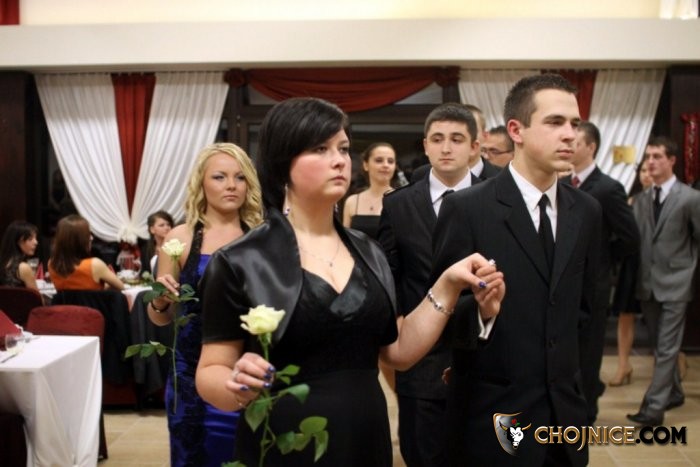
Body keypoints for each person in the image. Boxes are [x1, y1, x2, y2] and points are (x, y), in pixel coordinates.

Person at [195, 97, 504, 467]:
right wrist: (235, 385)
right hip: (285, 444)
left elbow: (398, 351)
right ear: (283, 162)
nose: (340, 160)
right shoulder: (242, 260)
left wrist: (448, 284)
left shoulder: (368, 252)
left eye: (342, 148)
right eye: (320, 149)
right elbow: (210, 371)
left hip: (365, 438)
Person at [431, 74, 602, 466]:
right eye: (555, 122)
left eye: (574, 124)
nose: (570, 135)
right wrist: (482, 314)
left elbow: (588, 314)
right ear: (516, 130)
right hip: (493, 419)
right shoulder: (467, 209)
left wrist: (584, 399)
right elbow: (440, 314)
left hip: (566, 420)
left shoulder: (586, 211)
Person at [147, 142, 264, 467]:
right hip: (190, 372)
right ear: (201, 183)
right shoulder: (180, 238)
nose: (231, 185)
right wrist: (160, 300)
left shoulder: (262, 235)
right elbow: (161, 318)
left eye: (240, 177)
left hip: (249, 368)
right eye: (220, 177)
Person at [377, 102, 481, 467]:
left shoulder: (497, 198)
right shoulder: (398, 204)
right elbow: (391, 273)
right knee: (422, 453)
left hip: (484, 352)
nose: (446, 148)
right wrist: (397, 326)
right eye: (437, 139)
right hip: (421, 355)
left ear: (474, 147)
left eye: (457, 139)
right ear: (425, 145)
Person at [564, 121, 640, 424]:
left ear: (591, 147)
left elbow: (630, 238)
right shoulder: (562, 183)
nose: (568, 147)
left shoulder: (608, 188)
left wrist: (602, 260)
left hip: (593, 286)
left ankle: (586, 415)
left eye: (575, 142)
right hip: (564, 285)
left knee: (588, 353)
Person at [627, 136, 700, 427]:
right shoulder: (642, 199)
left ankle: (653, 408)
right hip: (648, 283)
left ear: (672, 160)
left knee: (668, 346)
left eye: (657, 156)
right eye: (648, 157)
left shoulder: (690, 198)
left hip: (677, 283)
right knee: (660, 345)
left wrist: (688, 268)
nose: (651, 162)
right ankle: (675, 392)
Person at [609, 156, 652, 386]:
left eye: (649, 170)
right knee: (625, 315)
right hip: (632, 264)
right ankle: (623, 364)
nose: (646, 175)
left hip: (655, 265)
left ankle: (675, 359)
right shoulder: (630, 200)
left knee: (657, 319)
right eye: (642, 170)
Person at [48, 215, 125, 291]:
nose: (91, 238)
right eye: (87, 234)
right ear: (79, 240)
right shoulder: (95, 264)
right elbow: (121, 286)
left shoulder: (52, 264)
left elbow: (75, 291)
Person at [342, 142, 397, 239]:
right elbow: (345, 241)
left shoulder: (404, 200)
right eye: (379, 160)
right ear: (366, 165)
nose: (386, 165)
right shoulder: (352, 202)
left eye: (390, 161)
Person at [0, 221, 40, 291]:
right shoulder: (23, 267)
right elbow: (37, 297)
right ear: (18, 242)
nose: (36, 242)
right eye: (30, 239)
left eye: (35, 238)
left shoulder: (3, 263)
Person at [142, 210, 175, 274]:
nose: (167, 228)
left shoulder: (176, 247)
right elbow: (144, 272)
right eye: (161, 225)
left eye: (168, 224)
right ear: (152, 229)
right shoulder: (146, 249)